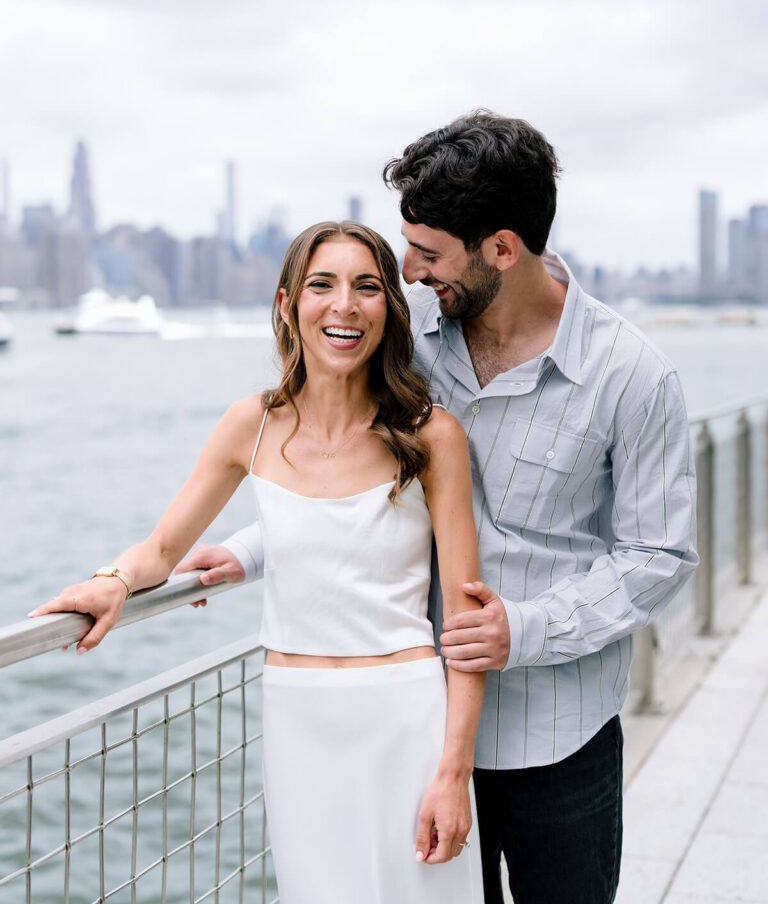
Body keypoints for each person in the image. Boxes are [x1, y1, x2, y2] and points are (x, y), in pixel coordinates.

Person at [190, 112, 699, 904]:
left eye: (428, 253)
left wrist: (522, 630)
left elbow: (659, 557)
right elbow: (350, 475)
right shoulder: (408, 337)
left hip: (557, 736)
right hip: (418, 730)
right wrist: (252, 550)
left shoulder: (632, 375)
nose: (409, 270)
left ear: (502, 248)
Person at [30, 222, 486, 903]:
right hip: (297, 723)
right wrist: (113, 582)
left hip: (405, 718)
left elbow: (467, 625)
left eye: (366, 286)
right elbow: (162, 550)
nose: (344, 305)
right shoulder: (254, 424)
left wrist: (452, 774)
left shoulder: (431, 434)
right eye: (322, 284)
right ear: (286, 305)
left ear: (389, 309)